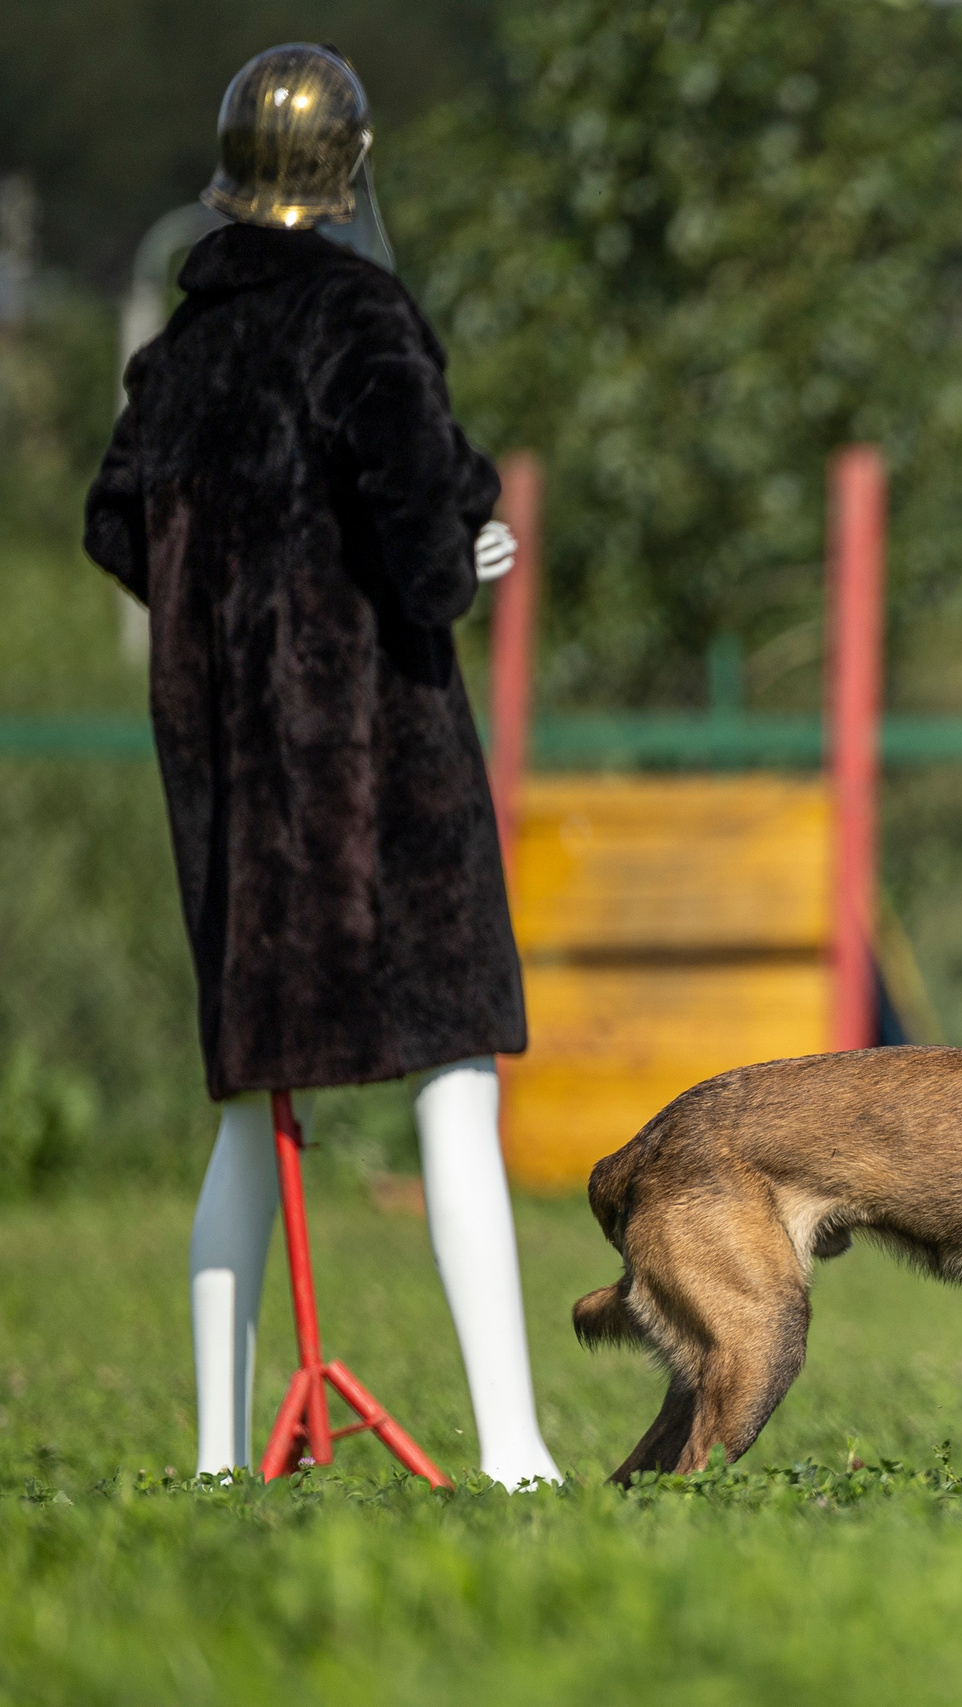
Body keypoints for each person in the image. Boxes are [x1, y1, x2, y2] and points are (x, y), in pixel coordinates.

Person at [83, 44, 558, 1486]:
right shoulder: (364, 316)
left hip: (230, 786)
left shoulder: (174, 353)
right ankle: (516, 1449)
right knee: (454, 1078)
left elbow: (118, 532)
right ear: (348, 172)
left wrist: (235, 592)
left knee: (248, 1105)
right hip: (378, 782)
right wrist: (461, 556)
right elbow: (424, 545)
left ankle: (223, 1458)